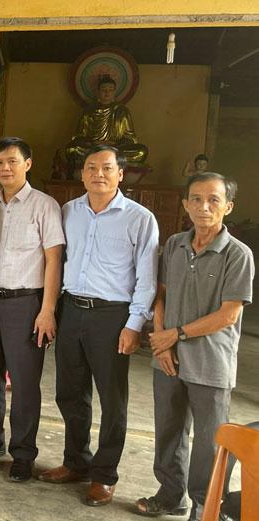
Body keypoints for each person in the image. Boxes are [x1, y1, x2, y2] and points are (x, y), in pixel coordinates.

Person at [38, 144, 159, 507]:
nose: (99, 174)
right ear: (82, 174)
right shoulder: (69, 211)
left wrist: (134, 324)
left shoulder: (140, 218)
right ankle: (76, 462)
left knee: (112, 399)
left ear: (121, 174)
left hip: (112, 316)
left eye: (107, 168)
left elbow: (147, 278)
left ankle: (104, 475)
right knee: (70, 392)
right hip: (72, 310)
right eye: (91, 167)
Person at [135, 172, 253, 520]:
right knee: (168, 431)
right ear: (185, 204)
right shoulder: (174, 244)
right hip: (168, 359)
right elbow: (160, 294)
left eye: (214, 200)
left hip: (210, 363)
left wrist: (174, 335)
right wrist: (161, 341)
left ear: (228, 207)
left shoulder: (238, 254)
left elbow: (228, 315)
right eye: (197, 199)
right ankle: (171, 495)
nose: (204, 207)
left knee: (209, 440)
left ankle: (206, 505)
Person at [0, 137, 65, 483]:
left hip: (26, 304)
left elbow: (54, 260)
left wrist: (47, 310)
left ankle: (23, 454)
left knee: (24, 384)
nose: (5, 168)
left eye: (12, 161)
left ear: (28, 164)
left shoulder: (45, 206)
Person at [65, 75, 148, 171]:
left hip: (115, 148)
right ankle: (106, 159)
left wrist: (114, 144)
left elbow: (130, 138)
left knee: (141, 151)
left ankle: (104, 159)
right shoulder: (88, 111)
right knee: (72, 149)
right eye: (104, 90)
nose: (107, 93)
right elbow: (78, 137)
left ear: (115, 92)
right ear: (98, 92)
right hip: (93, 148)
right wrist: (92, 143)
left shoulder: (122, 111)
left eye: (110, 90)